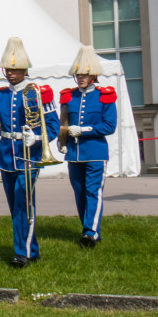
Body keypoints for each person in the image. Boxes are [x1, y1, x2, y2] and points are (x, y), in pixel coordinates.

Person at [0, 37, 59, 269]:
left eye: (14, 69)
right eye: (7, 69)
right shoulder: (0, 94)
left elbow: (54, 126)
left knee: (24, 203)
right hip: (7, 154)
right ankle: (31, 249)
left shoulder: (39, 92)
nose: (10, 73)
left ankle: (23, 252)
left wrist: (36, 137)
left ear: (24, 70)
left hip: (30, 154)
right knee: (14, 204)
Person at [60, 46, 118, 248]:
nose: (81, 77)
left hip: (95, 151)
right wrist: (62, 141)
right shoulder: (69, 96)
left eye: (85, 74)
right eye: (78, 74)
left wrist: (84, 130)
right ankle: (90, 229)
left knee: (94, 192)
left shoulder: (105, 95)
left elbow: (109, 126)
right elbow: (64, 122)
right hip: (74, 154)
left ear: (93, 75)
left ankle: (90, 232)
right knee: (80, 193)